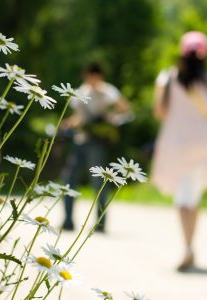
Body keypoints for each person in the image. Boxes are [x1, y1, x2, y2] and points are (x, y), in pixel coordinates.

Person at [151, 31, 207, 270]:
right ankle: (190, 246)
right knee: (194, 197)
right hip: (204, 143)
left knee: (183, 199)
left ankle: (188, 247)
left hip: (177, 143)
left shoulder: (167, 79)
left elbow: (159, 112)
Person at [61, 62, 130, 232]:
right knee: (69, 179)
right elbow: (78, 118)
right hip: (80, 139)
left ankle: (100, 223)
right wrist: (67, 124)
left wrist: (111, 116)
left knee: (99, 182)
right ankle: (68, 220)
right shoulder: (80, 93)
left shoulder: (108, 91)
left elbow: (125, 108)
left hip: (98, 141)